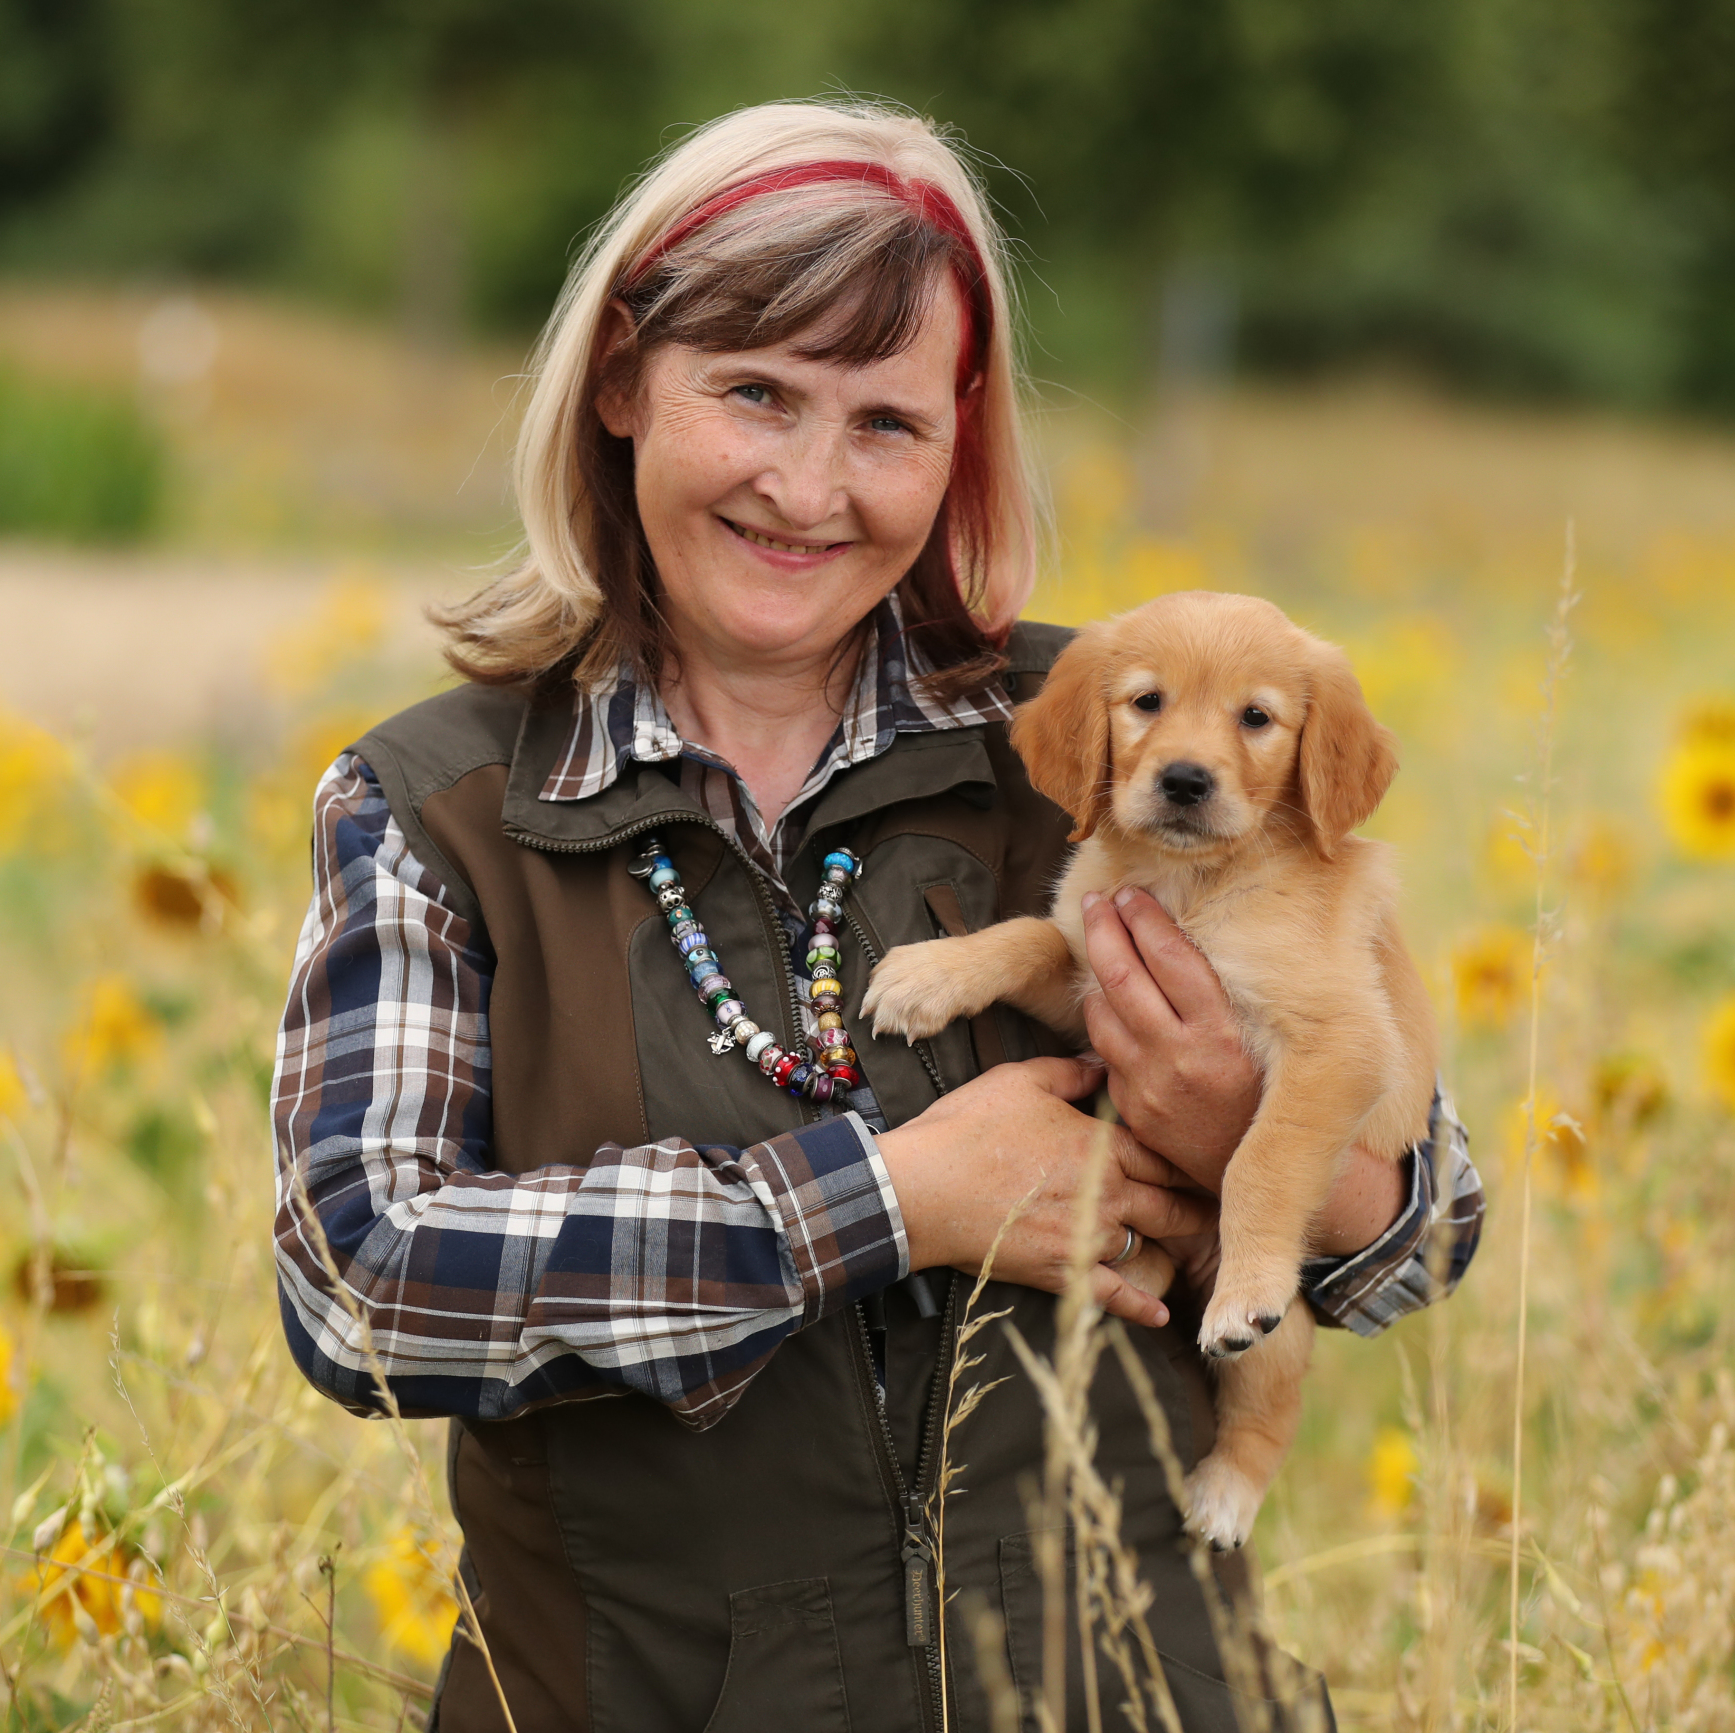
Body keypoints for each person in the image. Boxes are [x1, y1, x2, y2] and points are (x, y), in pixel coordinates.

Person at [271, 99, 1480, 1731]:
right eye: (755, 393)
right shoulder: (440, 807)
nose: (808, 486)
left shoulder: (1100, 734)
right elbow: (360, 1285)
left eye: (887, 423)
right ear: (622, 382)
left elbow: (1431, 1232)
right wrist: (886, 1201)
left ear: (957, 448)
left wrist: (1245, 1141)